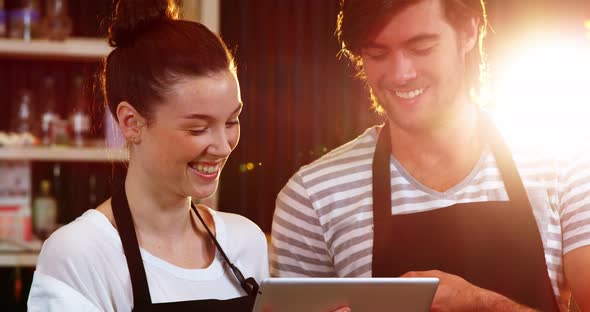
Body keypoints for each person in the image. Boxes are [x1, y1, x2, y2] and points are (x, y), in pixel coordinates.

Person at [271, 0, 590, 311]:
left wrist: (483, 305)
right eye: (377, 53)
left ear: (468, 32)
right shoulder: (312, 197)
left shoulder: (563, 163)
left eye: (421, 48)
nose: (400, 74)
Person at [27, 0, 268, 311]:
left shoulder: (246, 243)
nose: (223, 146)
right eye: (198, 129)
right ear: (131, 123)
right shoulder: (79, 254)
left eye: (232, 121)